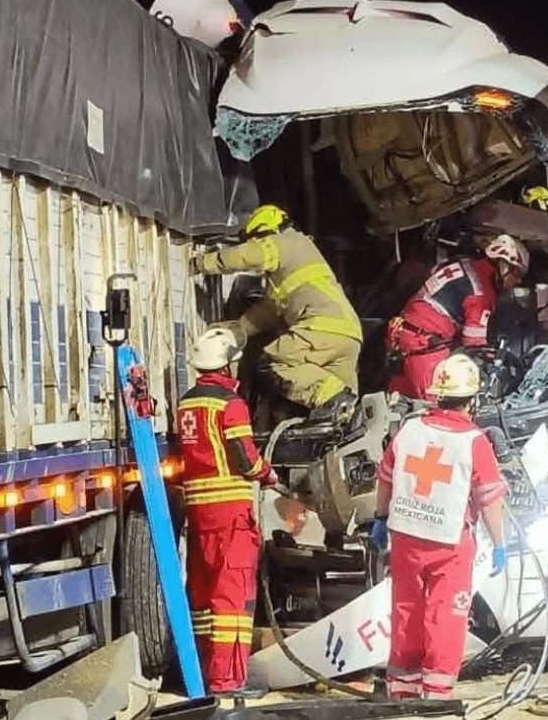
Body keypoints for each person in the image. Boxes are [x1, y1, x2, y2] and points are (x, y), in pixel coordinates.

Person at [369, 354, 508, 700]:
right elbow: (490, 499)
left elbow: (385, 480)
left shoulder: (410, 430)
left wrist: (380, 519)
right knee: (446, 618)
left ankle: (401, 692)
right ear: (472, 399)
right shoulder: (475, 441)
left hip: (405, 538)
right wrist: (500, 543)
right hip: (449, 543)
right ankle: (436, 695)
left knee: (406, 613)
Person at [174, 328, 279, 693]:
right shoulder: (230, 405)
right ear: (229, 365)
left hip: (199, 514)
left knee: (202, 594)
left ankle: (204, 673)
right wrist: (269, 474)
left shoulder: (186, 404)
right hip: (230, 513)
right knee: (230, 598)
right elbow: (245, 459)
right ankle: (227, 679)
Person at [193, 204, 363, 423]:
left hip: (321, 329)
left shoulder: (284, 242)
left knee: (272, 363)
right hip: (348, 335)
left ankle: (333, 396)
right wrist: (239, 329)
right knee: (342, 418)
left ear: (266, 232)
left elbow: (248, 255)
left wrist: (203, 263)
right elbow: (268, 312)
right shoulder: (296, 261)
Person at [385, 234, 530, 400]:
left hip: (400, 337)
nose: (518, 281)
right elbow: (474, 348)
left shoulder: (464, 263)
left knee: (397, 404)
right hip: (425, 349)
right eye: (517, 274)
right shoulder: (481, 294)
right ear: (504, 266)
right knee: (438, 406)